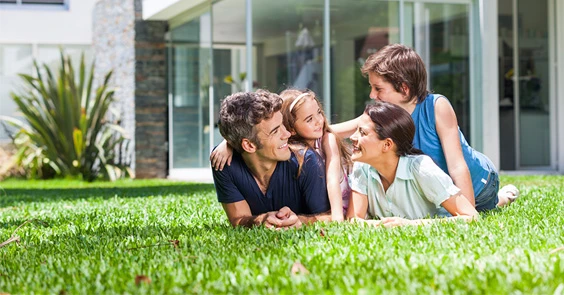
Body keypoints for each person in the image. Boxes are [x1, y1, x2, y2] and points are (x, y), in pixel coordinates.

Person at [332, 43, 519, 214]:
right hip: (441, 189)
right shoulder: (383, 115)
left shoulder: (436, 107)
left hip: (479, 183)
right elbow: (341, 129)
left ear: (404, 89)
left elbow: (457, 166)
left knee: (483, 208)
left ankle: (501, 198)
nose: (372, 94)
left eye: (378, 88)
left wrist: (467, 211)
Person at [211, 89, 353, 221]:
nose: (287, 134)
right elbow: (238, 220)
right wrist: (262, 220)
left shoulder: (308, 159)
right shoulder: (223, 161)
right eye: (275, 131)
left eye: (282, 125)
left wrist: (301, 221)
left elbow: (330, 217)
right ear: (248, 145)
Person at [346, 101, 479, 227]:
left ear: (387, 144)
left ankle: (501, 197)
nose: (352, 137)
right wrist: (380, 225)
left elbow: (471, 216)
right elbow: (353, 219)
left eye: (362, 132)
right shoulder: (362, 167)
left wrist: (410, 224)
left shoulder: (422, 169)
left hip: (482, 186)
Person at [279, 89, 352, 221]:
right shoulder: (291, 151)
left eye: (319, 112)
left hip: (339, 206)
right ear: (292, 129)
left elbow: (332, 180)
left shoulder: (327, 140)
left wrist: (337, 217)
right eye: (309, 119)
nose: (319, 121)